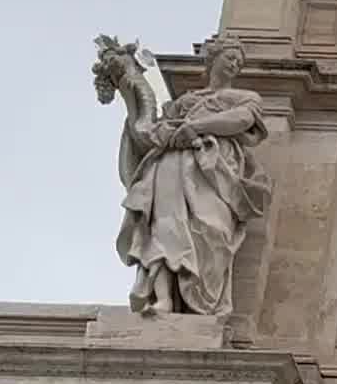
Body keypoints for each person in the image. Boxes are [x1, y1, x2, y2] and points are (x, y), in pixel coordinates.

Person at [96, 36, 271, 318]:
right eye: (230, 57)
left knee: (212, 231)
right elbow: (149, 132)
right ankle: (164, 299)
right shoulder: (184, 103)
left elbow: (241, 120)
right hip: (173, 164)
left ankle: (199, 302)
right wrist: (132, 90)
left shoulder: (246, 98)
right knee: (167, 228)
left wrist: (196, 127)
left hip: (215, 171)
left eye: (239, 60)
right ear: (213, 60)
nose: (235, 63)